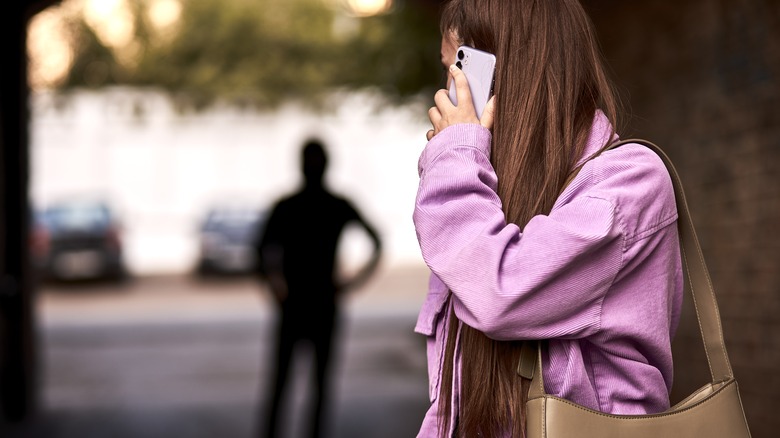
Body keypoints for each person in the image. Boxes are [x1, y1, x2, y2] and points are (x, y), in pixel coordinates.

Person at [413, 1, 683, 437]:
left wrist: (456, 157)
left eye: (459, 70)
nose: (446, 95)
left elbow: (499, 292)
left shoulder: (630, 183)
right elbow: (450, 406)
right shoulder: (483, 197)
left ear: (504, 74)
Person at [256, 139, 382, 438]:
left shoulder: (287, 206)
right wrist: (352, 283)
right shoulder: (335, 205)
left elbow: (260, 252)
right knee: (319, 385)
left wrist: (276, 288)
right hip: (323, 302)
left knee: (282, 384)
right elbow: (376, 242)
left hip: (296, 304)